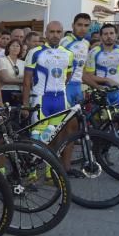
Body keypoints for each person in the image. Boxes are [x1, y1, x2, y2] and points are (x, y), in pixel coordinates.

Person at [23, 21, 74, 160]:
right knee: (37, 136)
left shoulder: (68, 54)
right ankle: (31, 172)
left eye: (58, 32)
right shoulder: (35, 52)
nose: (55, 35)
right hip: (41, 98)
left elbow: (67, 75)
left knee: (55, 135)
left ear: (62, 33)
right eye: (52, 32)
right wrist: (25, 105)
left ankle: (49, 172)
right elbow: (27, 81)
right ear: (45, 34)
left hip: (60, 99)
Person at [59, 13, 91, 106]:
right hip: (65, 86)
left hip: (78, 87)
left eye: (86, 25)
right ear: (73, 25)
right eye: (79, 25)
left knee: (78, 119)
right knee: (65, 118)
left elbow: (82, 68)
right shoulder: (64, 42)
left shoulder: (86, 43)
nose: (83, 28)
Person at [0, 38, 24, 105]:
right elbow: (5, 79)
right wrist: (22, 81)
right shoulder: (2, 60)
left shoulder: (23, 63)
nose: (15, 48)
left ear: (20, 49)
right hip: (5, 91)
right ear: (8, 48)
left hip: (19, 93)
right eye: (13, 46)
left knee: (17, 114)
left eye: (17, 46)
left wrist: (11, 80)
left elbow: (28, 80)